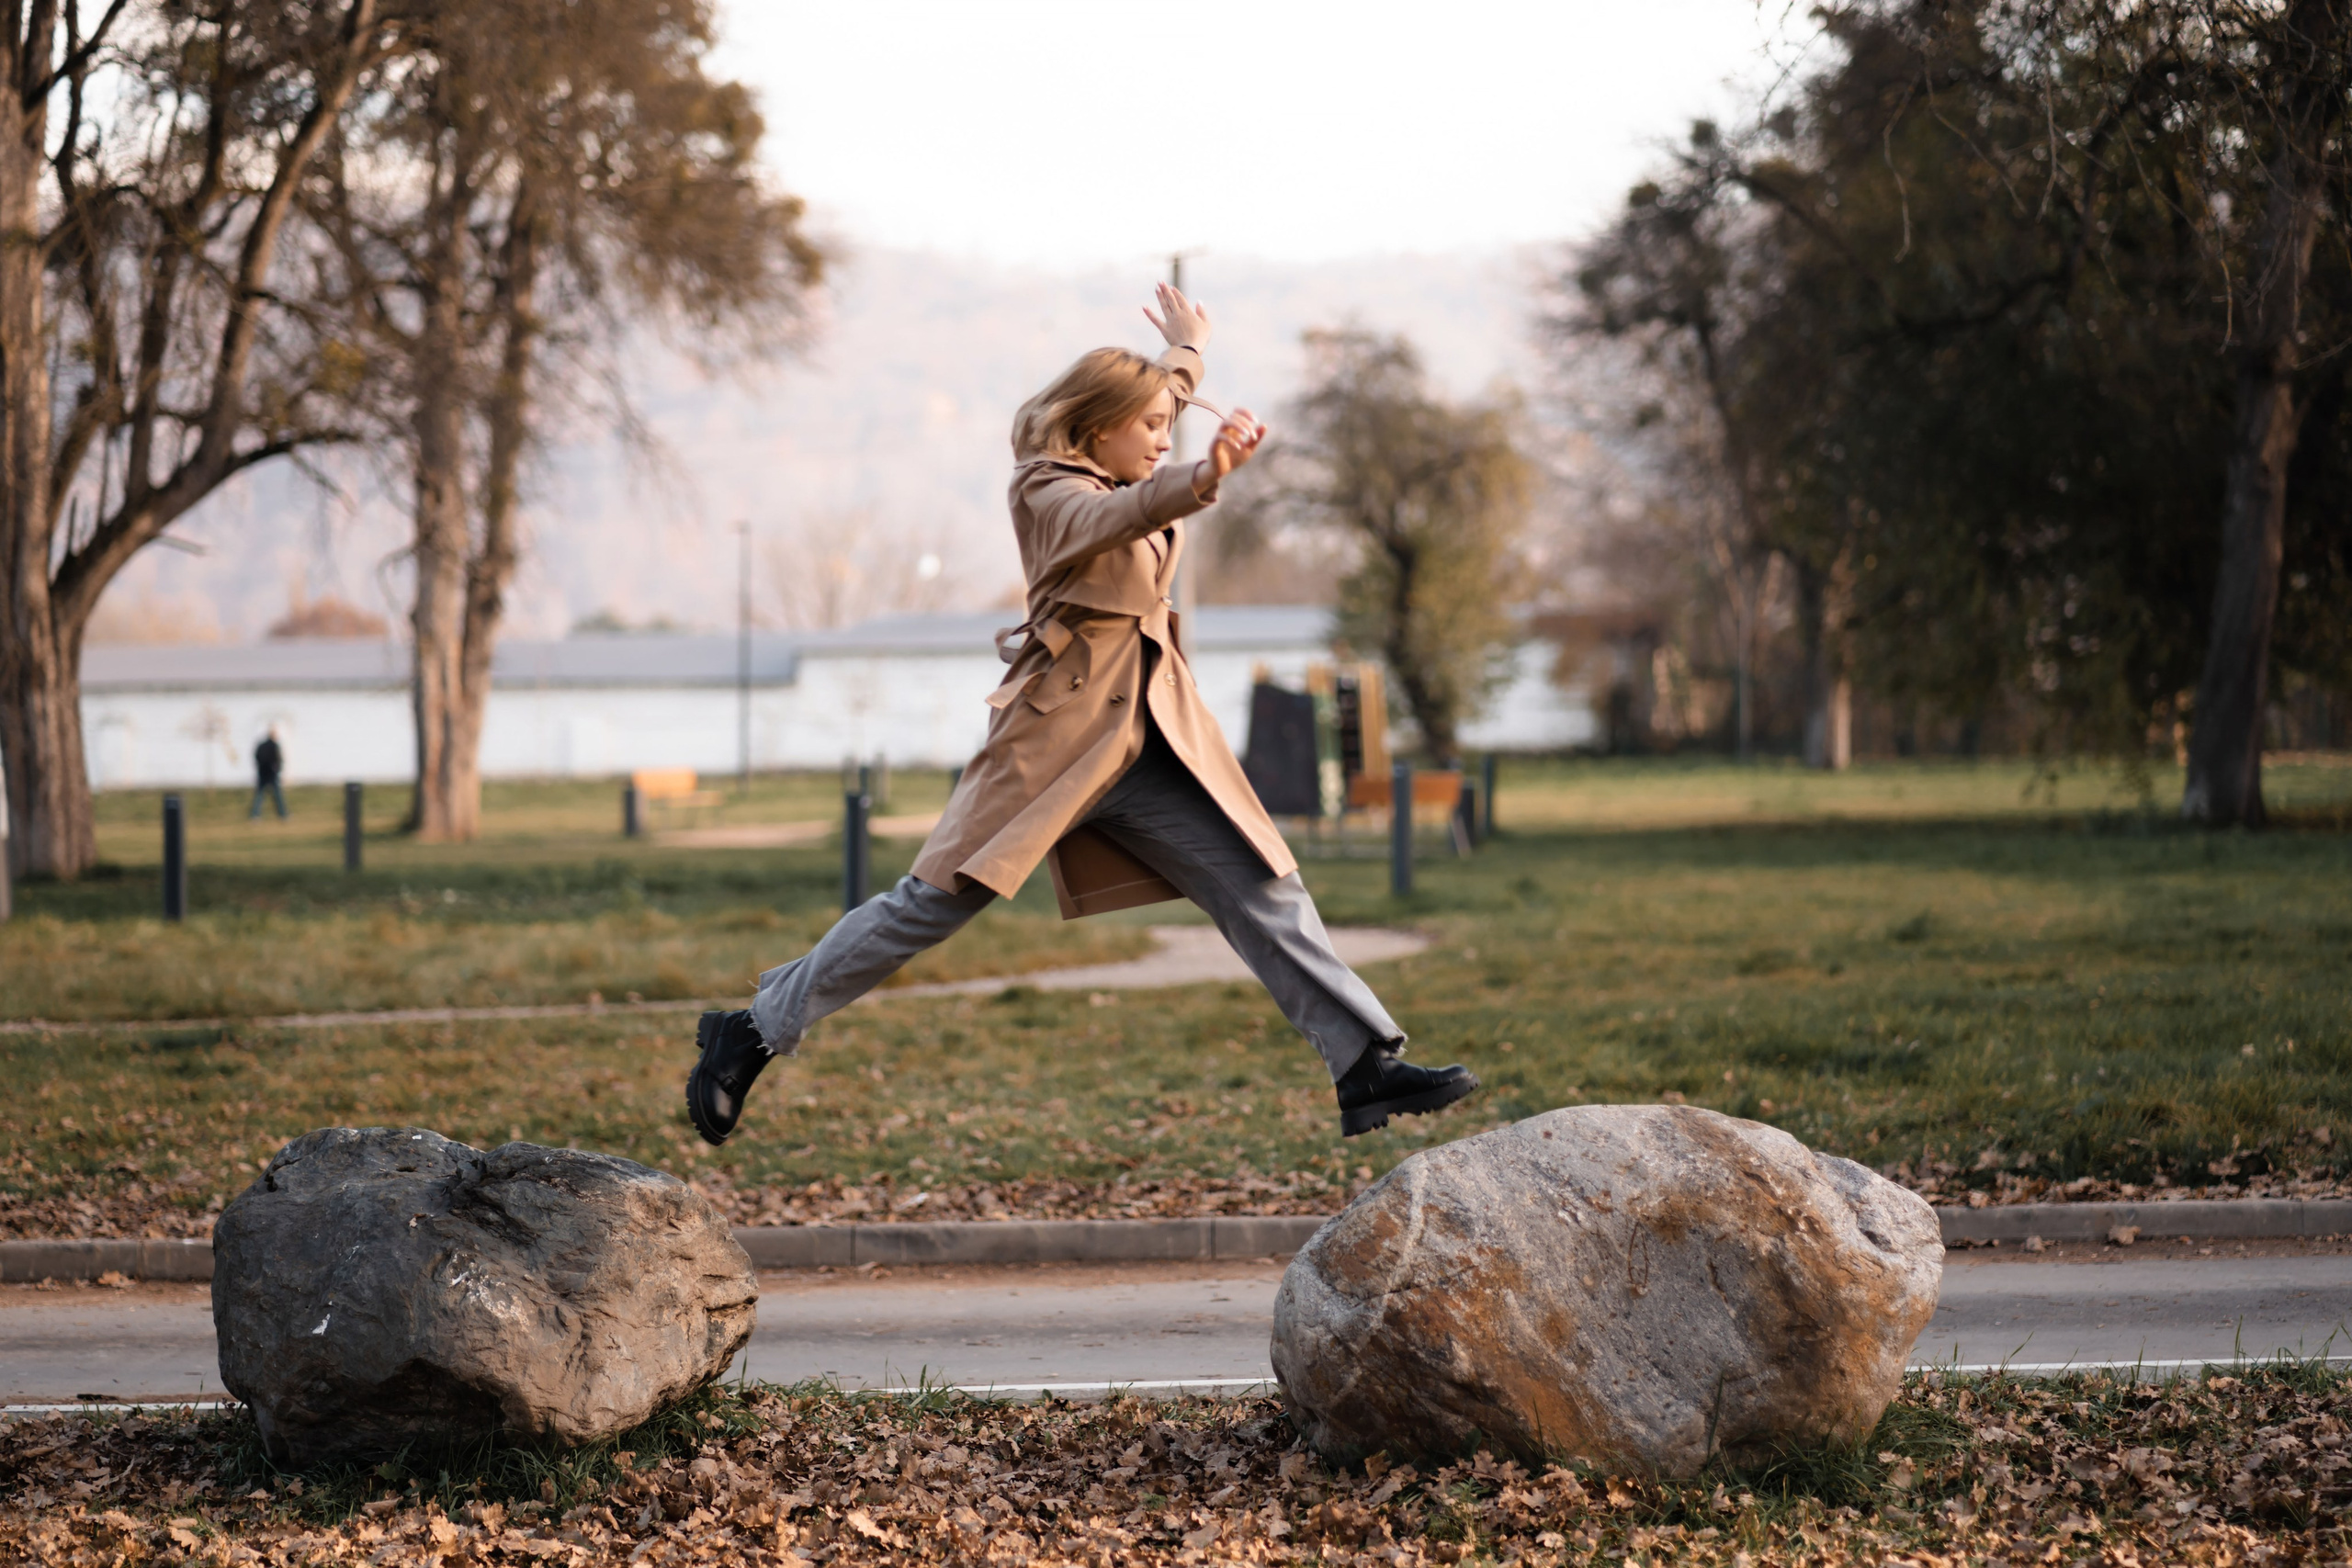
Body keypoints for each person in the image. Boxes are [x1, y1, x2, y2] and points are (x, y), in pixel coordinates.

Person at [685, 284, 1477, 1145]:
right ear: (1099, 429)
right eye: (1149, 430)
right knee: (927, 904)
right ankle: (753, 1029)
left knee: (1262, 885)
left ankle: (1362, 1062)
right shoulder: (1049, 491)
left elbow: (1160, 398)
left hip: (1150, 743)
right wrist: (1204, 475)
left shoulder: (1126, 442)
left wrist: (1187, 352)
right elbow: (1118, 513)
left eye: (1169, 429)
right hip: (1053, 745)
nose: (1164, 436)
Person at [249, 727, 288, 820]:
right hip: (272, 774)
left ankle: (255, 815)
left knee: (259, 795)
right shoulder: (274, 746)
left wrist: (260, 767)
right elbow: (278, 760)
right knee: (277, 795)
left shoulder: (261, 745)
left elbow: (256, 757)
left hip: (262, 773)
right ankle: (283, 815)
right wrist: (278, 770)